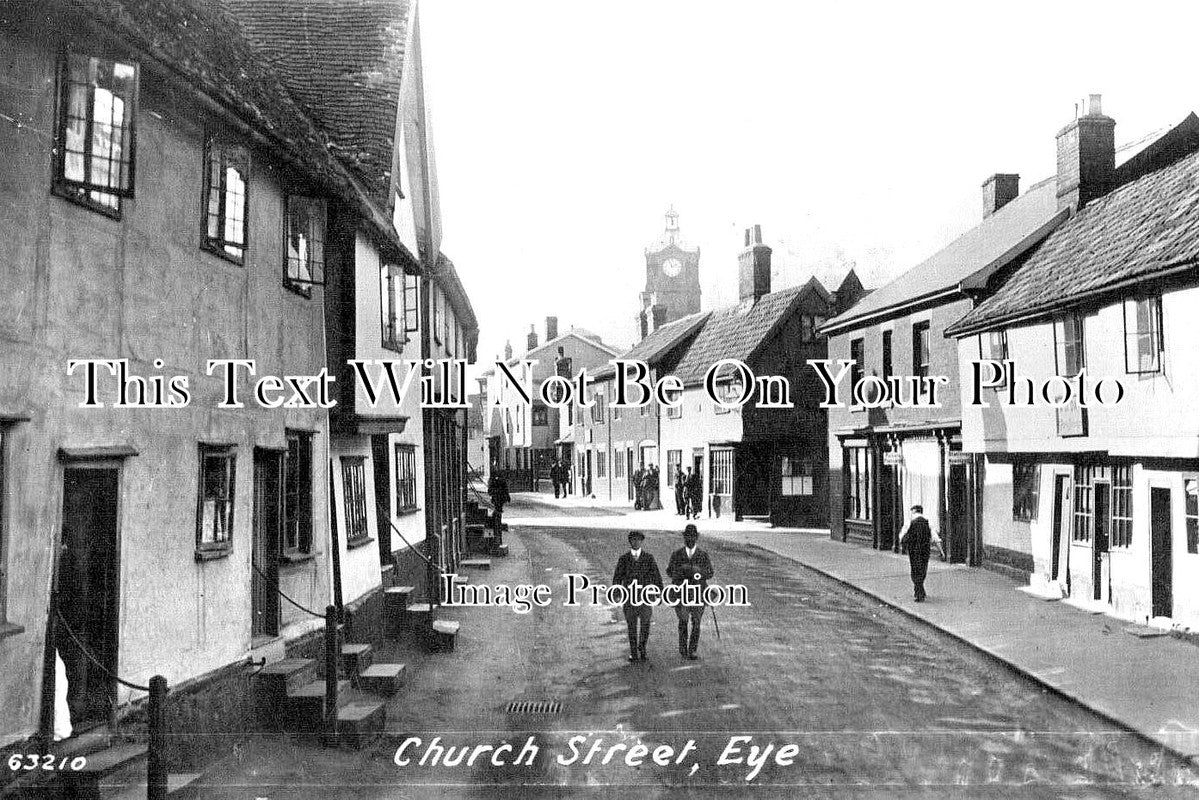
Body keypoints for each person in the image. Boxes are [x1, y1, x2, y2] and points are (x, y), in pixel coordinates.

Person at [612, 530, 663, 662]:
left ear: (641, 542)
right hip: (629, 598)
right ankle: (633, 652)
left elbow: (656, 577)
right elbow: (617, 578)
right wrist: (617, 594)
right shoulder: (624, 559)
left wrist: (660, 593)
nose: (636, 542)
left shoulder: (648, 558)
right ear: (630, 542)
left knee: (645, 624)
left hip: (645, 598)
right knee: (632, 626)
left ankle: (642, 648)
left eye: (638, 540)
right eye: (633, 540)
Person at [666, 524, 714, 660]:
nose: (690, 539)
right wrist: (682, 570)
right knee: (683, 620)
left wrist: (699, 570)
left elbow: (710, 572)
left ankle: (692, 650)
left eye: (693, 536)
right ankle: (683, 648)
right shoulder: (677, 554)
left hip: (698, 594)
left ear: (697, 537)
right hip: (681, 594)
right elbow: (670, 571)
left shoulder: (703, 555)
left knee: (696, 622)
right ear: (684, 537)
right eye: (687, 536)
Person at [899, 504, 941, 602]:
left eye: (912, 511)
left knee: (915, 568)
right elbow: (935, 537)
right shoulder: (927, 522)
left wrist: (902, 544)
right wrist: (941, 551)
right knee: (923, 568)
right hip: (925, 549)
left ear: (914, 511)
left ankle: (918, 592)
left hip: (913, 549)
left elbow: (902, 534)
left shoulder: (910, 521)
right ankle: (920, 589)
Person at [487, 469, 511, 547]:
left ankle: (498, 538)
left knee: (497, 513)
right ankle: (498, 539)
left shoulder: (493, 480)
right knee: (498, 514)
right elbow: (505, 489)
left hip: (497, 498)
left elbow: (490, 491)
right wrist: (507, 497)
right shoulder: (501, 480)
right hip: (500, 498)